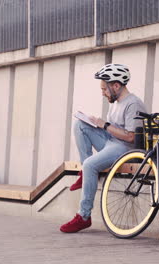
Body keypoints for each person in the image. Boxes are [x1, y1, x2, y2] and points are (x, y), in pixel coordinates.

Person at [60, 63, 147, 233]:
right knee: (80, 125)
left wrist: (104, 125)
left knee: (90, 164)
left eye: (104, 89)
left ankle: (84, 216)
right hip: (111, 142)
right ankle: (86, 174)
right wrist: (95, 123)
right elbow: (111, 131)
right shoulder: (115, 102)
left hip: (125, 149)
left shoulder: (133, 104)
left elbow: (131, 136)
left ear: (116, 85)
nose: (103, 93)